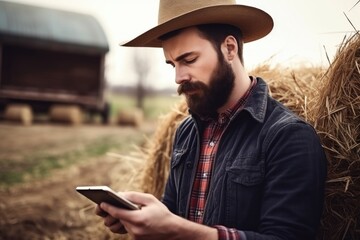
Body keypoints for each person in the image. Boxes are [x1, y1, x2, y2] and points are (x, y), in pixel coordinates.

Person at [96, 0, 327, 239]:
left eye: (189, 60)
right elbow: (174, 215)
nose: (178, 77)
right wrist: (143, 218)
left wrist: (176, 229)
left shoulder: (288, 137)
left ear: (229, 48)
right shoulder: (186, 131)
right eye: (172, 64)